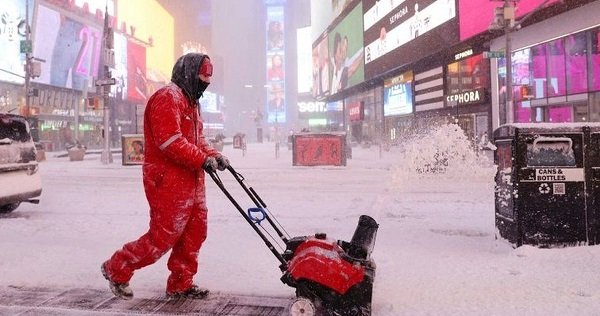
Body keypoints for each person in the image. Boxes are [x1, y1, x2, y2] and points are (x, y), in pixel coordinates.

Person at [101, 53, 230, 300]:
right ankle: (117, 267)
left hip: (192, 180)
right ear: (190, 74)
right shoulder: (166, 98)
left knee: (195, 233)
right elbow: (170, 141)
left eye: (209, 78)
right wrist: (202, 159)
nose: (206, 82)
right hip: (168, 181)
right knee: (162, 237)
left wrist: (214, 154)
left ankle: (181, 283)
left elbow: (197, 139)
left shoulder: (191, 102)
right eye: (203, 77)